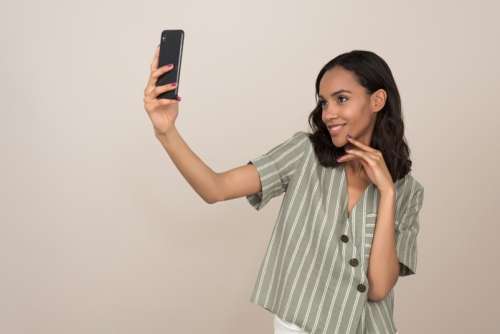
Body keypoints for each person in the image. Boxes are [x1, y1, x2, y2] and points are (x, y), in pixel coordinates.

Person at [143, 47, 423, 334]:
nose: (329, 114)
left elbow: (378, 288)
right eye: (324, 103)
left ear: (377, 100)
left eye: (341, 99)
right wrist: (166, 131)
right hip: (299, 327)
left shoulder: (407, 190)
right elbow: (216, 188)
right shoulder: (305, 154)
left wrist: (387, 193)